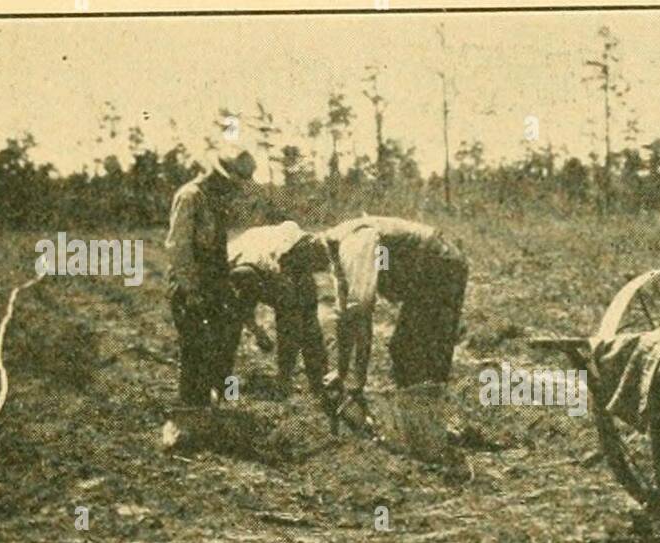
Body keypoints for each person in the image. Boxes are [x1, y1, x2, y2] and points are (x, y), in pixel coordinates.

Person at [318, 216, 468, 430]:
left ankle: (430, 425)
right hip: (424, 270)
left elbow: (362, 314)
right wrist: (340, 373)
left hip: (440, 263)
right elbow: (346, 317)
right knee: (404, 349)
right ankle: (417, 424)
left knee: (417, 350)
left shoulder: (355, 243)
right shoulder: (337, 253)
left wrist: (355, 385)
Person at [161, 145, 257, 450]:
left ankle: (211, 413)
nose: (233, 190)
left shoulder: (217, 203)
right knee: (195, 352)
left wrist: (224, 286)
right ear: (216, 175)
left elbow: (218, 250)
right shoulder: (190, 197)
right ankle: (184, 425)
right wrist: (191, 292)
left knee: (222, 345)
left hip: (214, 286)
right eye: (230, 183)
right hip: (190, 288)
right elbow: (178, 248)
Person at [227, 220, 338, 429]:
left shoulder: (300, 250)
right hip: (243, 268)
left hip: (282, 253)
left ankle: (318, 382)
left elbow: (301, 319)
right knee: (230, 330)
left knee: (306, 321)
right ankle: (226, 385)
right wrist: (258, 332)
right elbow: (243, 303)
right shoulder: (252, 265)